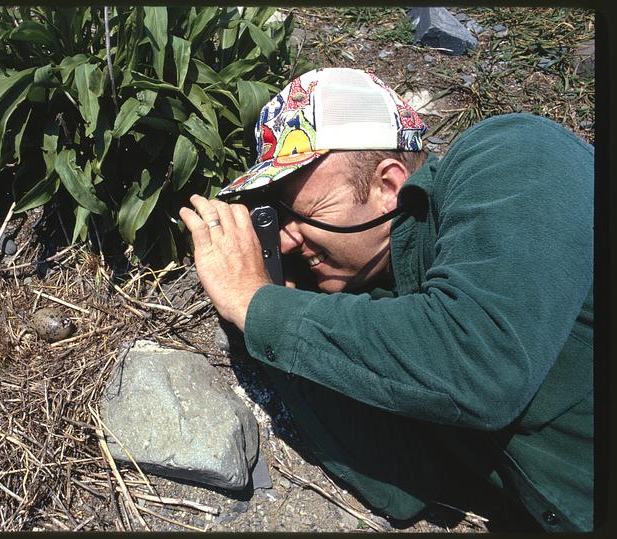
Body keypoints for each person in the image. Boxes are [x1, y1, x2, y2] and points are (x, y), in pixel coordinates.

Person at [178, 67, 594, 532]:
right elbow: (403, 484)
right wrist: (278, 312)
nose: (290, 241)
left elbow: (480, 362)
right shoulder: (377, 300)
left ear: (388, 187)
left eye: (300, 213)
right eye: (276, 217)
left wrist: (257, 305)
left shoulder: (517, 157)